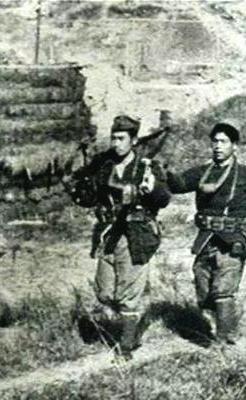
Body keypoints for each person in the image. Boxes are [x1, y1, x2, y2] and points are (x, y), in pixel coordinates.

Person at [166, 122, 246, 345]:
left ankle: (224, 343)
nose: (218, 146)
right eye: (215, 141)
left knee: (223, 290)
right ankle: (222, 322)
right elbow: (179, 184)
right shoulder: (202, 173)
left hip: (233, 239)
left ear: (234, 146)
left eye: (223, 142)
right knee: (204, 290)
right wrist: (163, 173)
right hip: (205, 239)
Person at [64, 115, 172, 358]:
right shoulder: (105, 166)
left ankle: (126, 347)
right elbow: (90, 197)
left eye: (121, 138)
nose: (116, 143)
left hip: (135, 234)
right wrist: (75, 188)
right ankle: (128, 319)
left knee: (128, 296)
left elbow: (164, 198)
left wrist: (151, 188)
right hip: (109, 233)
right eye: (113, 138)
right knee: (104, 292)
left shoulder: (146, 167)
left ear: (133, 141)